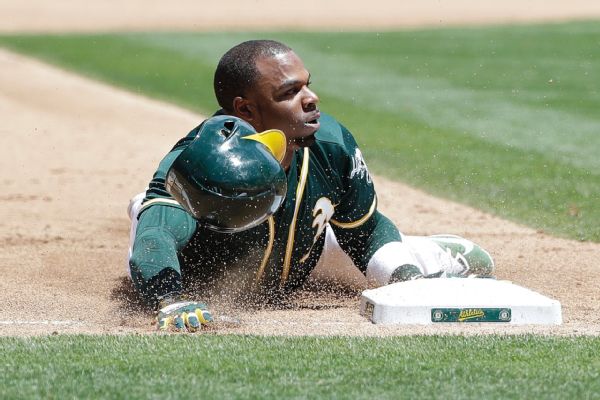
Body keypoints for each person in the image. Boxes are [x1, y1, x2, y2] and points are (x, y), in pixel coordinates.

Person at [127, 40, 494, 332]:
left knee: (445, 261)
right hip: (193, 259)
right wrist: (169, 299)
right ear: (246, 109)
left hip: (305, 250)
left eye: (307, 85)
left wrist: (408, 281)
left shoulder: (331, 144)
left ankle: (429, 252)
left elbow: (365, 232)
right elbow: (156, 237)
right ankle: (143, 203)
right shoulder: (197, 164)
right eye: (289, 92)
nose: (311, 98)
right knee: (150, 220)